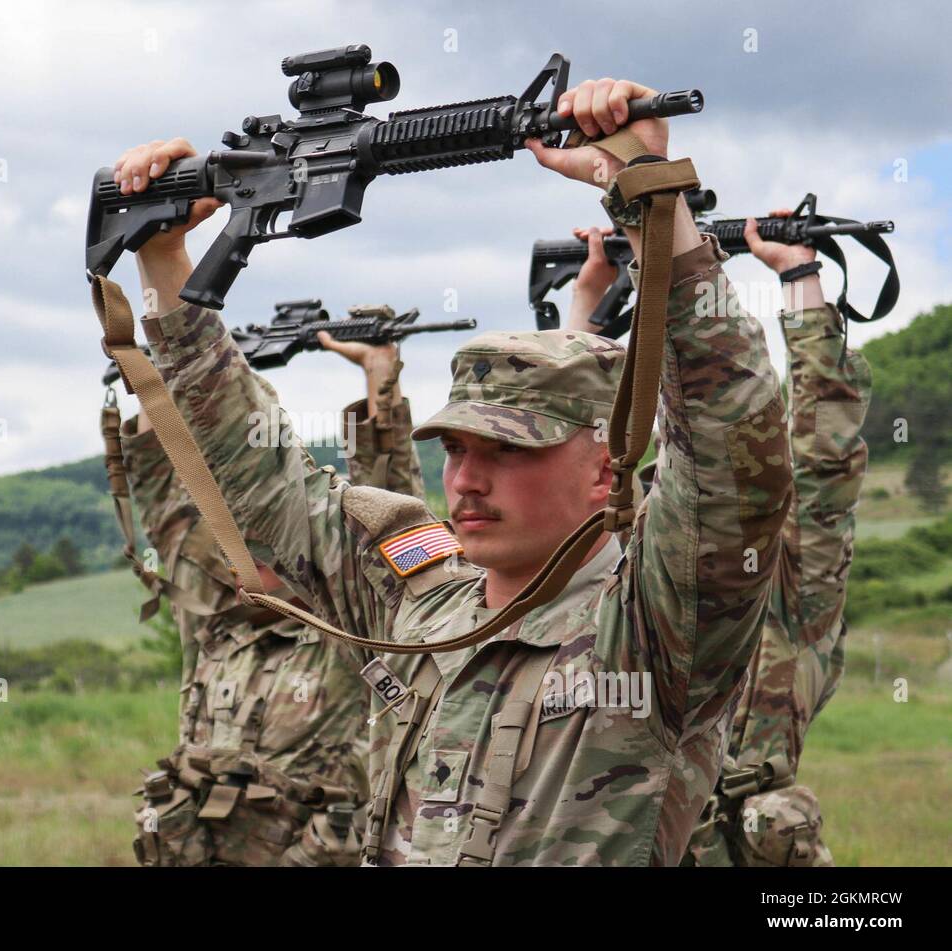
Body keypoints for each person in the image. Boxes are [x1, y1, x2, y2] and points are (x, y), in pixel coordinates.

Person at [106, 78, 794, 866]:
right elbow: (260, 478)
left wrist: (643, 191)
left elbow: (732, 439)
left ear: (608, 470)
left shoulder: (653, 628)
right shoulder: (418, 602)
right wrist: (165, 266)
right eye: (458, 448)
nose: (466, 479)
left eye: (510, 451)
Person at [566, 214, 871, 866]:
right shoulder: (635, 578)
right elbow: (564, 452)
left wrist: (800, 276)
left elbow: (825, 448)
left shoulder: (794, 591)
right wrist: (589, 304)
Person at [123, 327, 425, 866]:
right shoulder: (214, 623)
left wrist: (380, 372)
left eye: (263, 535)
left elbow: (390, 507)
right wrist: (167, 363)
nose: (245, 548)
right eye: (233, 534)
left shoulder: (347, 629)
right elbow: (158, 487)